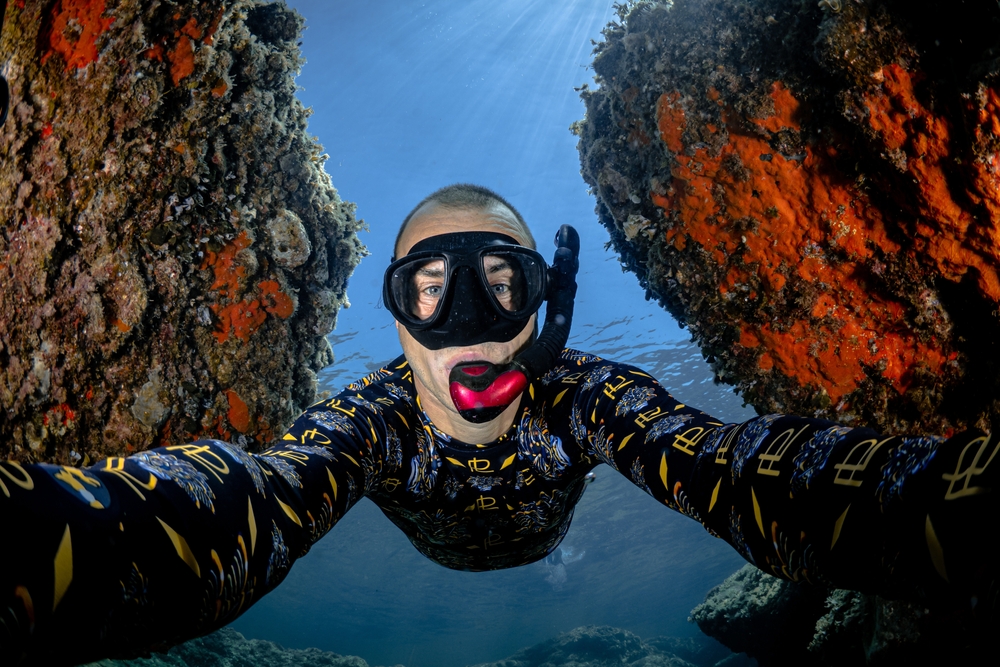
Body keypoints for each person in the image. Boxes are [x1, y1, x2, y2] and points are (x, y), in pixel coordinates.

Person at [0, 184, 996, 665]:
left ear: (542, 303)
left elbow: (741, 471)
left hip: (533, 537)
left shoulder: (586, 394)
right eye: (430, 291)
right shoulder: (372, 418)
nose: (468, 321)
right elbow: (249, 503)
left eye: (500, 281)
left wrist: (953, 506)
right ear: (396, 316)